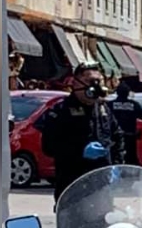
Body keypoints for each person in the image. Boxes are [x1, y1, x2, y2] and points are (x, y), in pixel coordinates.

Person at [38, 61, 114, 202]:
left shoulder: (103, 109)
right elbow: (48, 146)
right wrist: (79, 151)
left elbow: (117, 137)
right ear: (75, 83)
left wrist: (117, 165)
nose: (94, 86)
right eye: (89, 81)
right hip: (72, 186)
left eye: (98, 81)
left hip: (102, 187)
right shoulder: (61, 110)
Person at [106, 82, 142, 167]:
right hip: (130, 136)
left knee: (113, 156)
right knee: (131, 159)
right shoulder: (133, 104)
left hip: (114, 137)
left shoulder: (110, 105)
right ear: (127, 93)